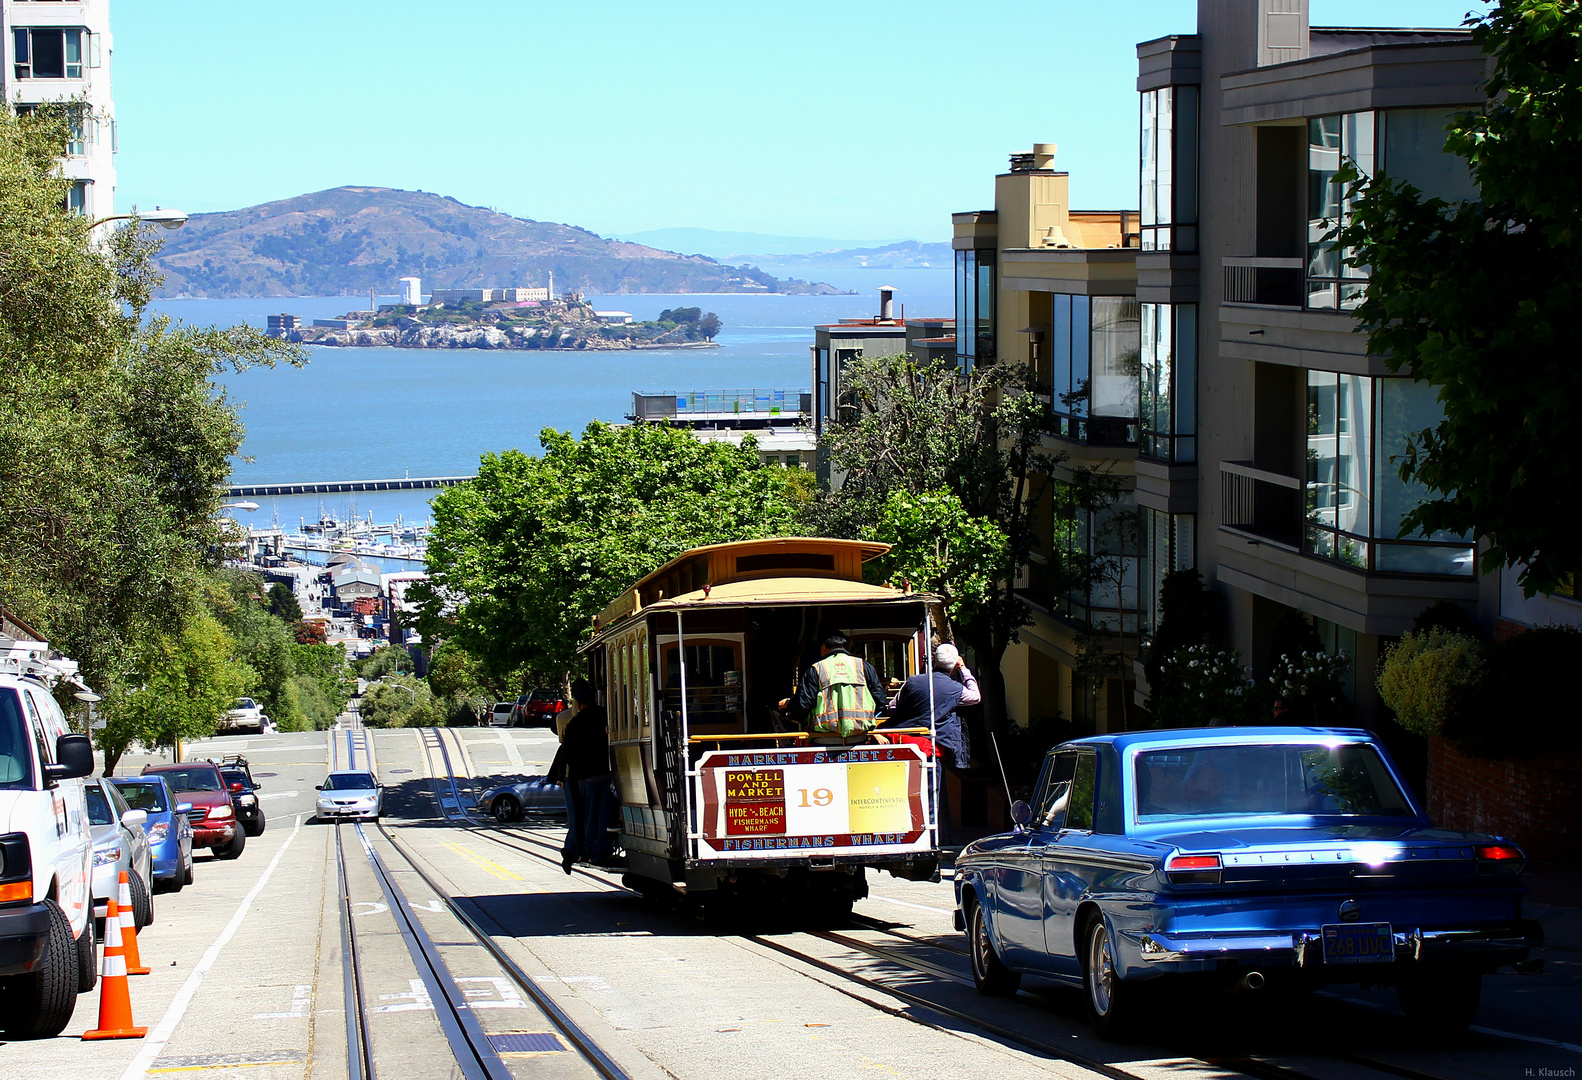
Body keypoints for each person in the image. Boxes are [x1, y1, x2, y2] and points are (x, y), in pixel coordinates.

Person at [881, 643, 980, 840]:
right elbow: (975, 697)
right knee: (934, 794)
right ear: (954, 665)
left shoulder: (913, 682)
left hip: (904, 745)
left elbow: (892, 707)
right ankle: (935, 836)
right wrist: (964, 669)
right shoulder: (955, 689)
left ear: (933, 660)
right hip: (931, 748)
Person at [547, 678, 619, 873]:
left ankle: (587, 851)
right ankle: (599, 851)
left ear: (577, 703)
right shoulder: (607, 716)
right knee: (604, 816)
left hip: (587, 778)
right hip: (607, 774)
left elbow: (568, 752)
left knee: (588, 816)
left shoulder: (573, 724)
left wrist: (574, 776)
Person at [778, 632, 888, 738]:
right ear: (845, 647)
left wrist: (788, 705)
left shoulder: (816, 669)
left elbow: (803, 704)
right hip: (859, 737)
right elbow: (880, 700)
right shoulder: (864, 666)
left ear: (824, 647)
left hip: (824, 737)